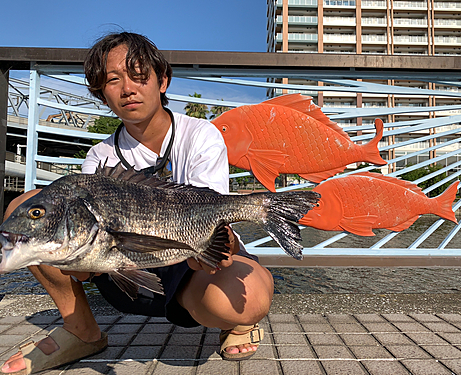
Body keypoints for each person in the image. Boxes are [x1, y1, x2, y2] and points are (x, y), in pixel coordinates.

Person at [1, 32, 274, 374]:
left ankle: (236, 324)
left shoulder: (201, 135)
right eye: (112, 80)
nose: (127, 88)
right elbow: (84, 271)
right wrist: (75, 258)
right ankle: (81, 330)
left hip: (188, 263)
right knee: (26, 209)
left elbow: (208, 213)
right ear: (101, 94)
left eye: (139, 75)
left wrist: (220, 244)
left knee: (250, 298)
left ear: (163, 81)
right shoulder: (99, 158)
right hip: (122, 272)